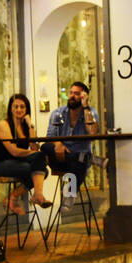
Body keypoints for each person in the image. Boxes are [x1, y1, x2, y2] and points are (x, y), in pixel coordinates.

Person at [0, 93, 51, 215]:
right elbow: (14, 151)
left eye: (22, 107)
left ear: (26, 109)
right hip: (0, 164)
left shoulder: (25, 127)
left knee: (44, 171)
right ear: (10, 109)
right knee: (38, 167)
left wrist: (30, 125)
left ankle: (14, 196)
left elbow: (34, 147)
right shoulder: (4, 125)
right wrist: (37, 155)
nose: (19, 110)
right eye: (15, 106)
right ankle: (37, 195)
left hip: (16, 162)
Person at [40, 81, 98, 209]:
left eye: (76, 94)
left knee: (79, 162)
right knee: (44, 147)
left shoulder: (91, 113)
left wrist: (86, 107)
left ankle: (69, 196)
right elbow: (50, 136)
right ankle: (91, 159)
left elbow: (92, 132)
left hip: (77, 161)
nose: (72, 96)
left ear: (84, 96)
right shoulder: (58, 113)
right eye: (71, 93)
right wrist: (58, 144)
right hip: (60, 158)